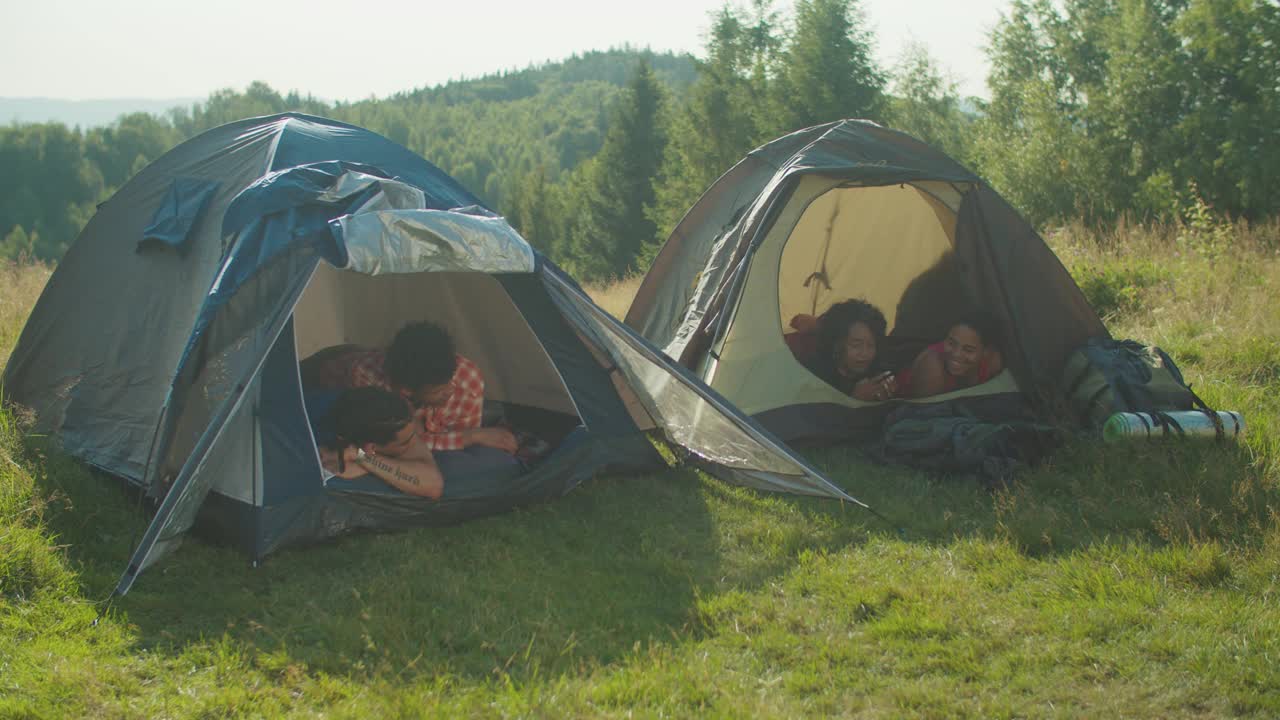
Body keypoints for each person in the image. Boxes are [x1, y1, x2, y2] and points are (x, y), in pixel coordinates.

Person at [301, 321, 518, 454]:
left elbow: (459, 439)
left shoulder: (467, 378)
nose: (451, 391)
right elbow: (389, 445)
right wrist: (472, 437)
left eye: (449, 381)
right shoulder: (364, 378)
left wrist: (469, 437)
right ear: (406, 390)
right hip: (321, 371)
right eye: (439, 391)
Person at [316, 387, 444, 499]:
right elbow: (337, 470)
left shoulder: (391, 420)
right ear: (371, 446)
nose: (413, 443)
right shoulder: (316, 437)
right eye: (404, 443)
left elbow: (433, 485)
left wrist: (360, 456)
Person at [796, 299, 899, 402]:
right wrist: (854, 400)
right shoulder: (814, 375)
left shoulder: (876, 373)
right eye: (856, 345)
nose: (864, 353)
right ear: (836, 344)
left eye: (871, 345)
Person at [904, 309, 1005, 398]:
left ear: (986, 352)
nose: (956, 354)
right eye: (951, 343)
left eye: (968, 350)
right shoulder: (933, 368)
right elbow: (919, 414)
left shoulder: (992, 363)